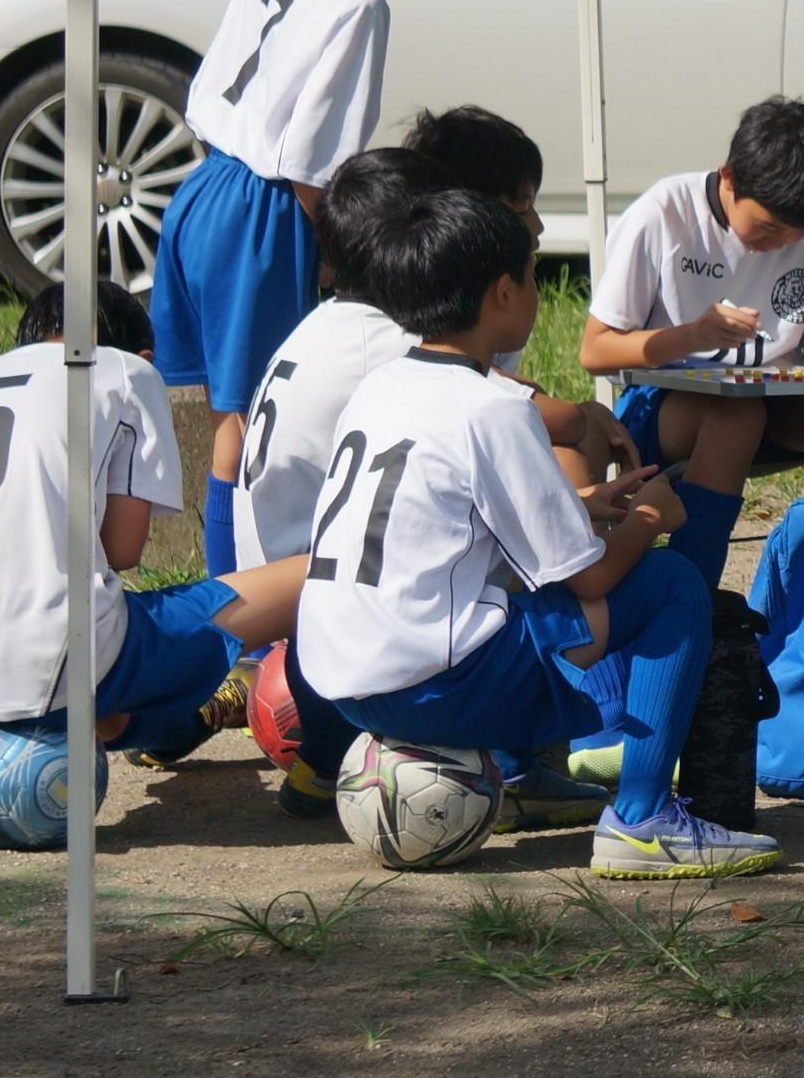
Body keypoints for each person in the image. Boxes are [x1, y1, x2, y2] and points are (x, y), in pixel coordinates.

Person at [295, 188, 781, 880]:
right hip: (432, 687)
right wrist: (650, 516)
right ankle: (642, 819)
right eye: (530, 274)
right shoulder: (493, 407)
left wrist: (580, 504)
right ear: (502, 293)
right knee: (672, 583)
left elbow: (443, 521)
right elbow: (589, 579)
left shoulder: (381, 386)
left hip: (341, 685)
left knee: (512, 595)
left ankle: (525, 778)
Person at [151, 0, 503, 581]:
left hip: (202, 188)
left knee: (229, 418)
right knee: (251, 426)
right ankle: (240, 631)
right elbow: (317, 171)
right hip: (265, 215)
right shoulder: (362, 6)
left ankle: (234, 615)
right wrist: (354, 265)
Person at [231, 148, 613, 827]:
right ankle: (520, 764)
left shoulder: (325, 321)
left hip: (299, 574)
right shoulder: (391, 340)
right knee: (539, 552)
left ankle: (324, 761)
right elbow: (527, 411)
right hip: (328, 582)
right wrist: (588, 420)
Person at [0, 281, 305, 769]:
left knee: (98, 694)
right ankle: (323, 741)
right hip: (62, 649)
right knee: (311, 576)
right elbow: (122, 549)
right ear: (146, 354)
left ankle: (175, 720)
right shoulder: (126, 371)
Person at [580, 97, 804, 591]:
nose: (782, 244)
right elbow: (596, 350)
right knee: (737, 415)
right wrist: (693, 335)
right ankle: (694, 595)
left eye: (799, 235)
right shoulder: (665, 213)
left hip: (775, 396)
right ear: (729, 178)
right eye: (770, 227)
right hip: (667, 406)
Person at [401, 104, 638, 485]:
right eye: (523, 204)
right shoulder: (426, 310)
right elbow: (488, 397)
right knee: (571, 450)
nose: (538, 224)